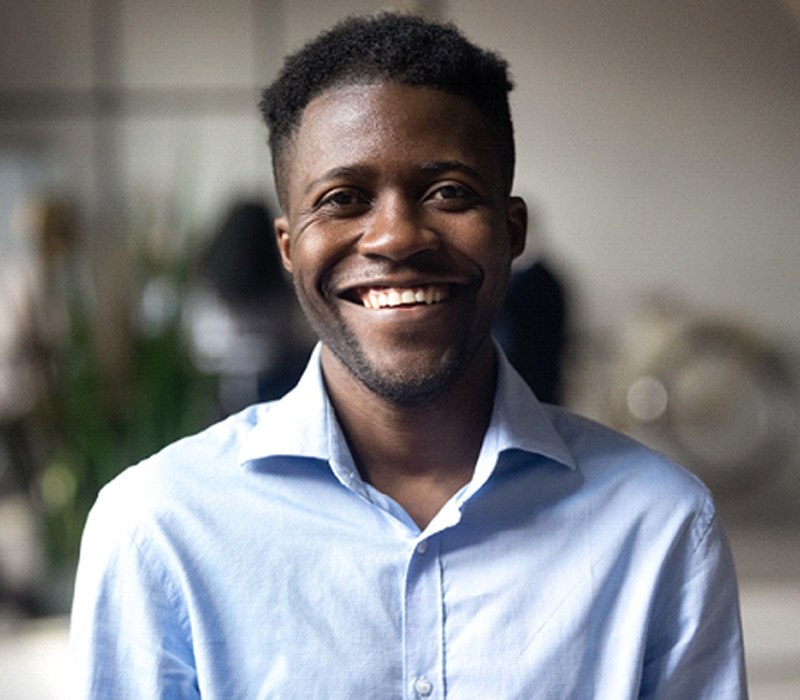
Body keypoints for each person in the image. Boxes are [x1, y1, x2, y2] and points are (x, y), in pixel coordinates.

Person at [70, 13, 747, 698]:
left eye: (448, 191)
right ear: (287, 246)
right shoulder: (159, 527)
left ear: (512, 232)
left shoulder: (659, 525)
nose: (395, 237)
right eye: (343, 199)